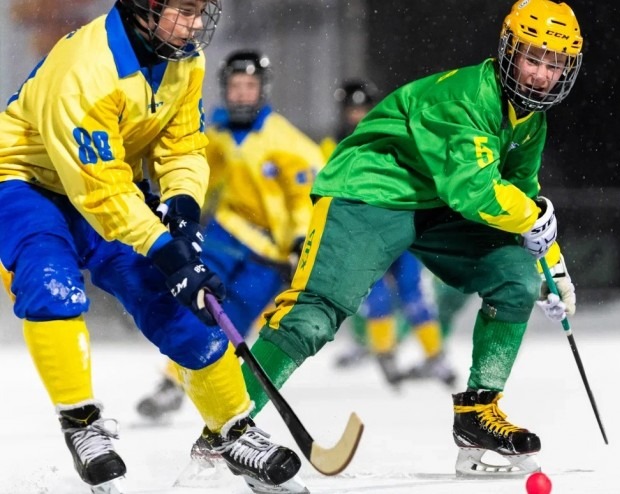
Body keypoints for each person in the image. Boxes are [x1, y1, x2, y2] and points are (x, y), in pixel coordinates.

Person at [232, 0, 583, 476]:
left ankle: (478, 413)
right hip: (370, 191)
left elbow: (523, 196)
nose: (542, 75)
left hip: (437, 204)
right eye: (533, 59)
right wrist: (531, 218)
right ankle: (226, 427)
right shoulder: (465, 97)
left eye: (554, 64)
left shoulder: (530, 119)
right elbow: (475, 190)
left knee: (517, 277)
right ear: (508, 52)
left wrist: (552, 267)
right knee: (313, 318)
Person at [0, 2, 305, 493]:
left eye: (200, 10)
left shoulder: (184, 57)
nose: (196, 24)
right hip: (27, 183)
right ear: (145, 6)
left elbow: (182, 143)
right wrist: (167, 251)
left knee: (177, 303)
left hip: (110, 184)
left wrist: (183, 211)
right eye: (184, 10)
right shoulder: (86, 68)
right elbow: (96, 190)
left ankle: (235, 430)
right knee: (51, 285)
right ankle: (81, 424)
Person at [135, 49, 324, 422]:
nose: (240, 93)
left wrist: (300, 242)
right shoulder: (214, 134)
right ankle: (172, 383)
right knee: (199, 303)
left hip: (268, 254)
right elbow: (193, 175)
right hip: (224, 234)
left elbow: (303, 199)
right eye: (234, 85)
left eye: (249, 85)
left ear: (263, 89)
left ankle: (207, 389)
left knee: (234, 318)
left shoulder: (289, 142)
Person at [322, 79, 457, 388]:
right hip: (365, 236)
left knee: (414, 292)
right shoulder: (333, 147)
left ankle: (435, 356)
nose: (357, 116)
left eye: (362, 109)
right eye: (352, 110)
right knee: (377, 296)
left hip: (400, 228)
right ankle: (385, 355)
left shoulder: (392, 137)